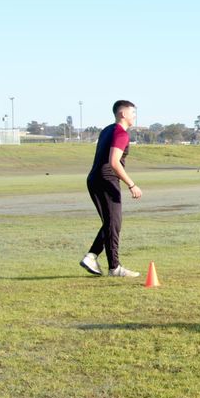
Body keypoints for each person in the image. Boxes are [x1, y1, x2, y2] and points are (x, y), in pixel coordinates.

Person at [80, 100, 143, 277]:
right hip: (106, 181)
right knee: (113, 223)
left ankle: (92, 256)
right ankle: (114, 267)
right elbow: (114, 162)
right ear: (123, 114)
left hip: (94, 179)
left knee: (111, 223)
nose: (134, 116)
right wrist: (132, 184)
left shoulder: (107, 130)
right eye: (133, 113)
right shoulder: (121, 134)